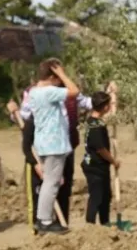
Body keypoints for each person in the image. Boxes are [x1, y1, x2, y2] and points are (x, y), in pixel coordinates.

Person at [16, 82, 95, 225]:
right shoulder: (34, 94)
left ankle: (61, 225)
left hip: (64, 149)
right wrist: (35, 163)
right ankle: (39, 227)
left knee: (63, 191)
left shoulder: (69, 93)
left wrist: (111, 96)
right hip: (41, 152)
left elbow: (89, 102)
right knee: (39, 192)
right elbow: (24, 120)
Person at [28, 58, 79, 234]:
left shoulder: (33, 92)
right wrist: (62, 74)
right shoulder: (48, 91)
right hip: (54, 144)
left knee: (49, 182)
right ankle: (45, 219)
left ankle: (44, 218)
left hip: (43, 142)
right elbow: (74, 91)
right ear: (53, 75)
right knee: (52, 182)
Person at [81, 91, 118, 225]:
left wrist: (113, 94)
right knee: (97, 196)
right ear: (104, 107)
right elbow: (100, 149)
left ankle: (105, 222)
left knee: (106, 195)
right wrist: (113, 161)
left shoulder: (93, 121)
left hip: (99, 165)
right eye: (108, 104)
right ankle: (90, 224)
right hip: (94, 165)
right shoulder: (96, 126)